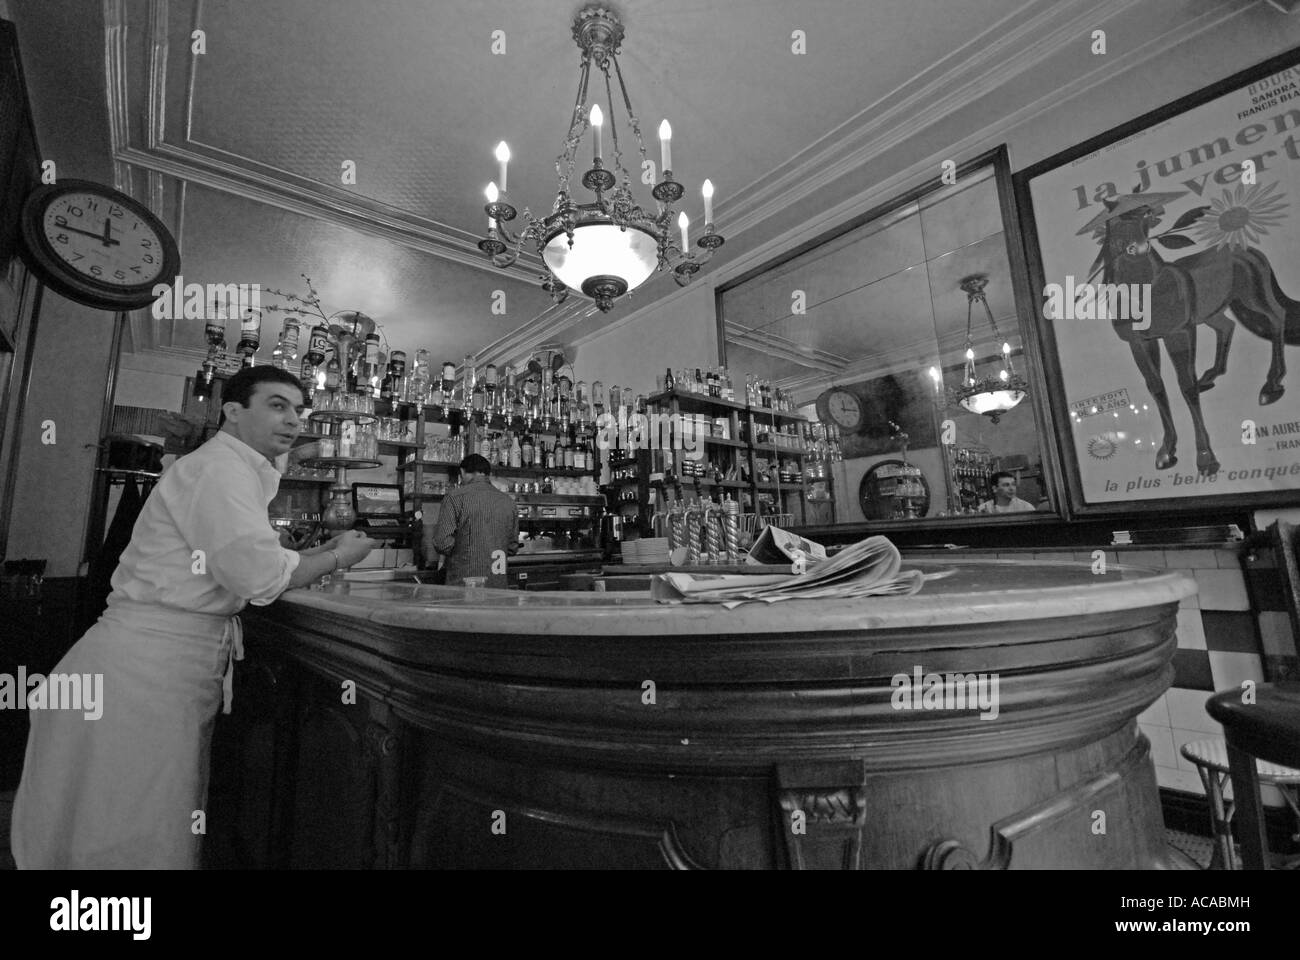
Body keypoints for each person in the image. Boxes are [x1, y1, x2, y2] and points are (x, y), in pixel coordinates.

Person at [10, 366, 376, 869]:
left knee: (120, 815)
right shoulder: (219, 470)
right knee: (135, 822)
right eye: (276, 405)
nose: (293, 419)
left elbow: (246, 558)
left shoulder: (231, 466)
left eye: (298, 409)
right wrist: (338, 557)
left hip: (148, 666)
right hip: (143, 673)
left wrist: (306, 548)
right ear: (232, 411)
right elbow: (260, 578)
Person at [431, 453, 519, 588]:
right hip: (499, 585)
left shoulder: (455, 498)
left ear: (462, 472)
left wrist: (467, 549)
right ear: (488, 474)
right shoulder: (508, 501)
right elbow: (512, 546)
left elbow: (442, 542)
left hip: (465, 583)